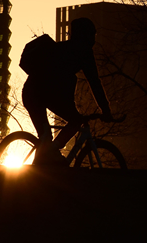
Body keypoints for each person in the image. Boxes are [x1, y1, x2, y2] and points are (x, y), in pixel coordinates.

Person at [22, 17, 113, 164]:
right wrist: (106, 110)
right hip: (38, 94)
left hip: (34, 92)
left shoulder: (62, 48)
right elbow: (94, 82)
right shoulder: (83, 53)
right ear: (85, 35)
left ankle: (47, 158)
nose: (94, 40)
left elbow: (60, 86)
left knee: (45, 138)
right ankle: (49, 155)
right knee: (72, 123)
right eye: (92, 35)